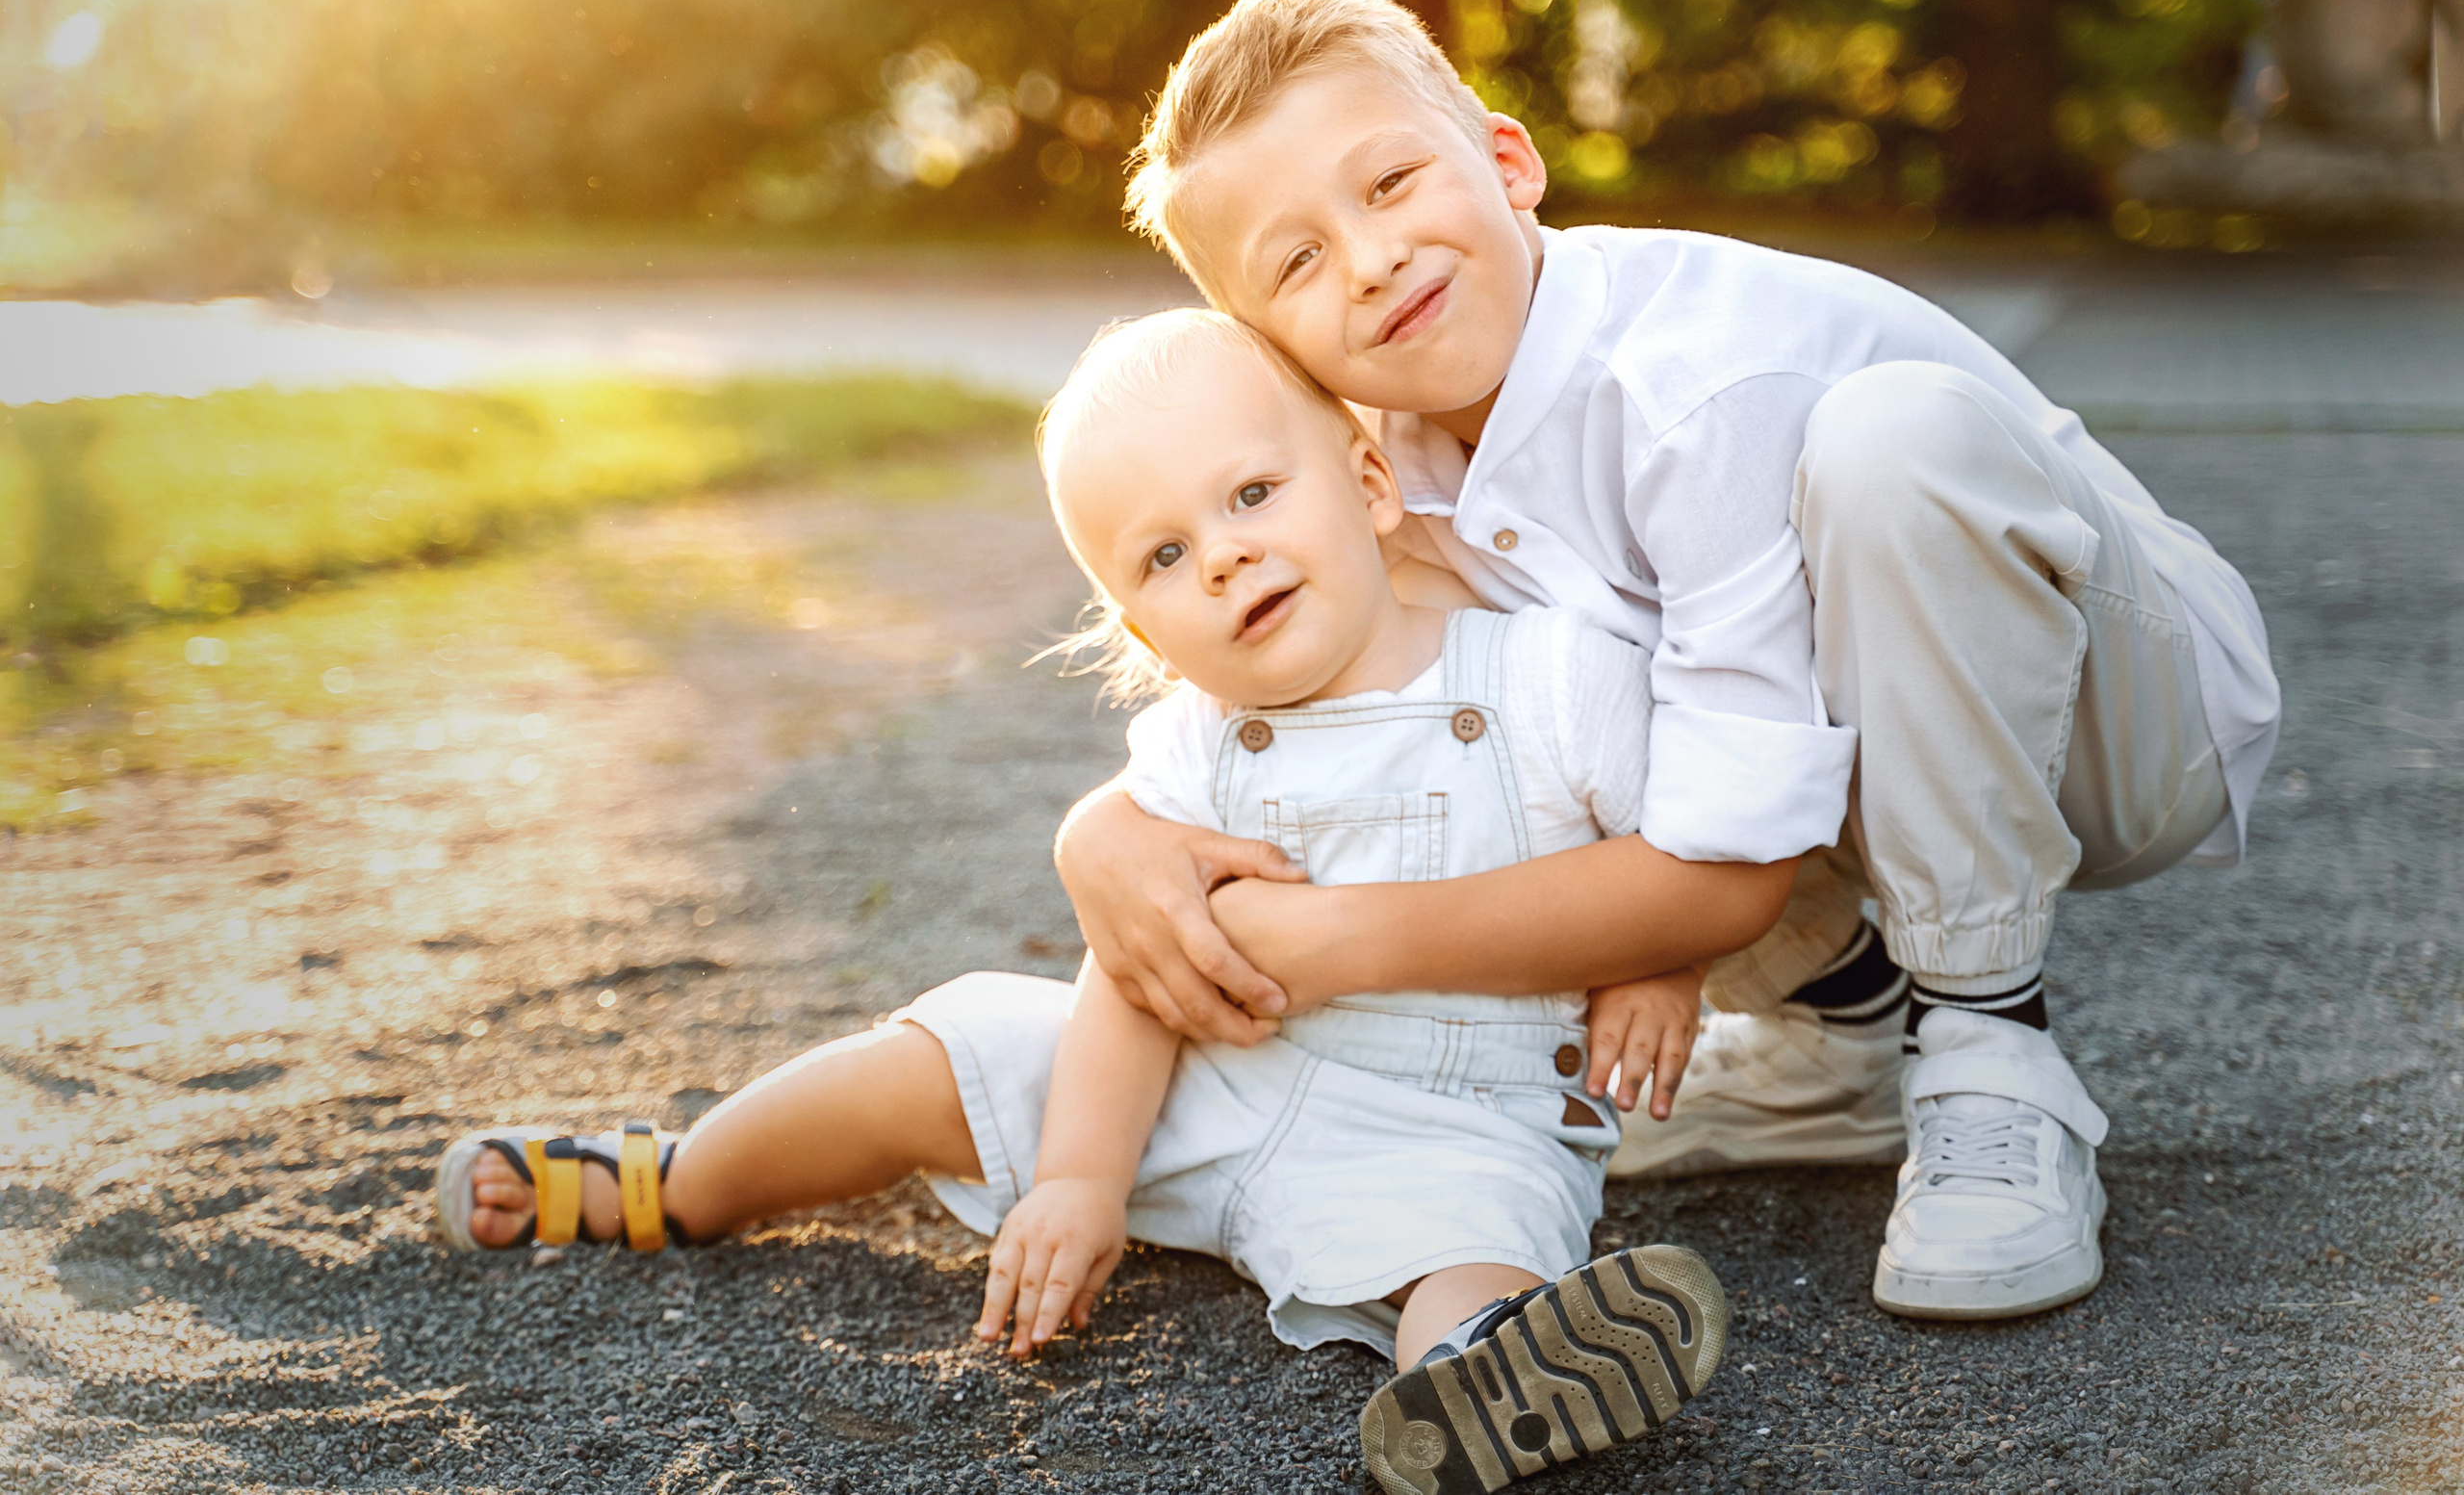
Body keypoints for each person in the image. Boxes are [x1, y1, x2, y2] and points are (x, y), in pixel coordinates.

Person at [1058, 0, 2280, 1322]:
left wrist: (1330, 942)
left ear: (1509, 161)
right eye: (1294, 261)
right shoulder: (1380, 465)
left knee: (1890, 446)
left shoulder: (1691, 381)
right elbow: (1341, 693)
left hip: (2119, 713)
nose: (1369, 258)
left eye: (1392, 181)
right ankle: (1849, 1037)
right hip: (1872, 754)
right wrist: (1108, 832)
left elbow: (1725, 873)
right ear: (1272, 352)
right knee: (1538, 717)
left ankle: (1991, 1044)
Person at [432, 310, 1768, 1491]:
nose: (1228, 560)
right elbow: (1136, 973)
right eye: (1166, 557)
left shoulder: (1546, 677)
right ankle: (677, 1184)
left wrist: (1655, 971)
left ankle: (1484, 1379)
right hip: (1198, 1089)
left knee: (1482, 1238)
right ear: (1136, 628)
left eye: (1252, 495)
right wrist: (1079, 1179)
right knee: (932, 1057)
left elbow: (1678, 854)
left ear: (1367, 480)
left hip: (1452, 1117)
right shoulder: (1191, 746)